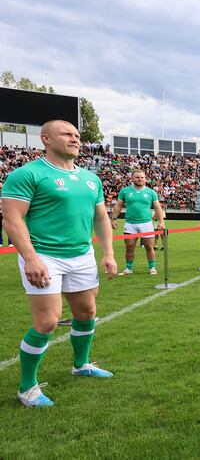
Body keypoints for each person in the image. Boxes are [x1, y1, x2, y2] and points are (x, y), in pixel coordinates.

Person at [1, 120, 117, 408]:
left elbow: (101, 218)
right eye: (67, 134)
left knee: (87, 312)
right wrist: (30, 258)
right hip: (43, 256)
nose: (75, 139)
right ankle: (27, 387)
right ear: (46, 138)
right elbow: (12, 219)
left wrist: (108, 253)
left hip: (81, 255)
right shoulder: (27, 174)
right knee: (47, 321)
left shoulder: (92, 179)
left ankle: (81, 364)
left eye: (77, 135)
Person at [110, 170, 165, 275]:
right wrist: (113, 219)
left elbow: (158, 207)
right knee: (129, 247)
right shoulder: (125, 191)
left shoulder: (151, 192)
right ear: (132, 179)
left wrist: (161, 222)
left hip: (146, 223)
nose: (140, 179)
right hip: (130, 224)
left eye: (142, 177)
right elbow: (118, 205)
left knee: (149, 246)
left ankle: (152, 267)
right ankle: (128, 269)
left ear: (145, 179)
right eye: (137, 177)